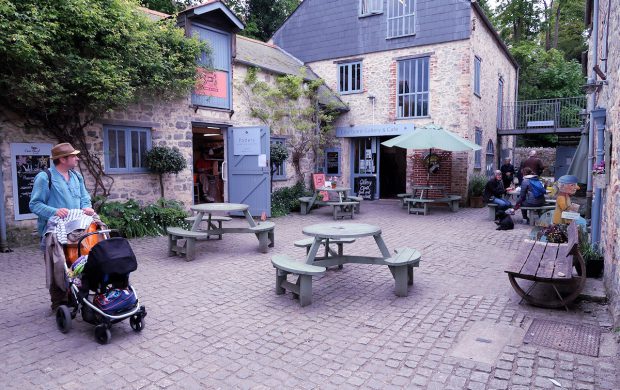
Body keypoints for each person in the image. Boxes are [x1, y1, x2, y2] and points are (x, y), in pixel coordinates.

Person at [29, 143, 95, 313]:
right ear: (63, 159)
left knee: (77, 264)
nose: (77, 158)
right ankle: (59, 304)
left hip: (77, 231)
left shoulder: (76, 176)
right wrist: (55, 211)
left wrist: (87, 207)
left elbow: (85, 198)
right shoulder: (45, 177)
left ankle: (76, 295)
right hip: (54, 234)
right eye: (73, 156)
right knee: (58, 266)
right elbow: (34, 204)